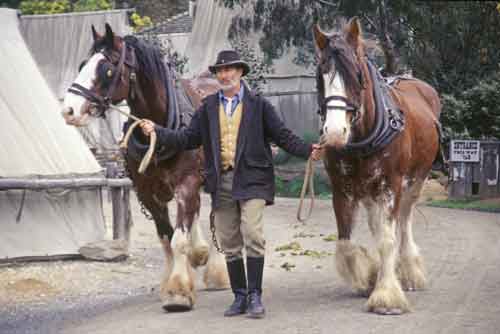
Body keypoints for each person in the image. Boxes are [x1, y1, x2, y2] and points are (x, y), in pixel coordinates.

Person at [140, 50, 322, 318]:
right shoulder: (208, 107)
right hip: (221, 181)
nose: (224, 74)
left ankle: (255, 296)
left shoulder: (259, 105)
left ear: (240, 72)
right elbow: (187, 138)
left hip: (253, 179)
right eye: (220, 71)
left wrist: (308, 149)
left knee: (253, 233)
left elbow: (282, 136)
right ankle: (239, 297)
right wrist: (158, 131)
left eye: (230, 69)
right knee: (229, 240)